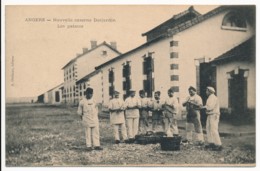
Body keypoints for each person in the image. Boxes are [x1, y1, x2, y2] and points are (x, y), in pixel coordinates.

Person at [203, 87, 222, 151]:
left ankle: (218, 144)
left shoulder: (213, 98)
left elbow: (210, 107)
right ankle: (211, 143)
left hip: (214, 115)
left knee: (214, 129)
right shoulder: (210, 97)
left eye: (206, 91)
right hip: (209, 115)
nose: (206, 92)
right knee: (208, 128)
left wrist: (203, 107)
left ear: (209, 91)